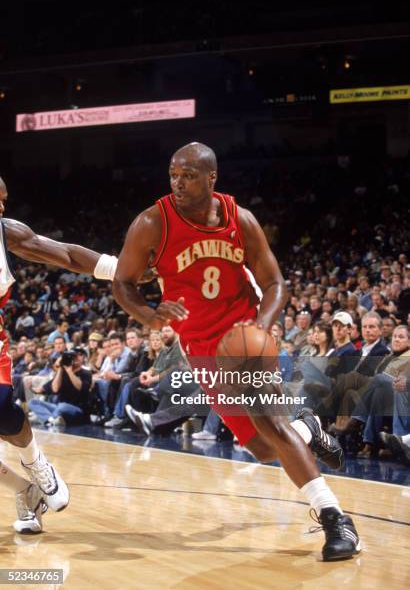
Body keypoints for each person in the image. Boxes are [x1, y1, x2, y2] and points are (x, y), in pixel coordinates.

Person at [112, 142, 360, 561]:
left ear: (212, 178)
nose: (178, 182)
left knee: (271, 426)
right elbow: (123, 283)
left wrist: (260, 327)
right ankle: (309, 429)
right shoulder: (152, 222)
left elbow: (275, 282)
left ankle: (335, 518)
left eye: (188, 175)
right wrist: (150, 314)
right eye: (173, 174)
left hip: (243, 335)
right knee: (263, 448)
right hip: (202, 349)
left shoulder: (240, 220)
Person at [0, 175, 117, 533]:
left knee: (0, 406)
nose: (2, 207)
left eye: (4, 200)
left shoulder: (7, 232)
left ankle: (36, 464)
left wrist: (116, 269)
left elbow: (64, 253)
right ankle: (28, 492)